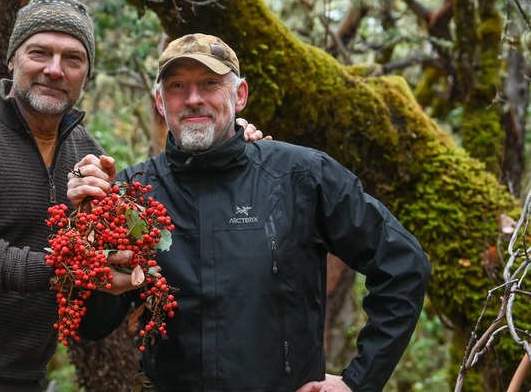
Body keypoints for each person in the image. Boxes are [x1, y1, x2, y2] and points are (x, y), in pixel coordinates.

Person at [0, 0, 268, 392]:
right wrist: (71, 267)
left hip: (24, 381)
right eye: (39, 53)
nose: (54, 70)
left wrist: (235, 149)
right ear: (12, 60)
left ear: (86, 74)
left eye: (72, 59)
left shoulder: (90, 157)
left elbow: (93, 323)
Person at [68, 33, 432, 392]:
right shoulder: (134, 195)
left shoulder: (300, 175)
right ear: (160, 103)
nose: (193, 99)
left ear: (239, 95)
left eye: (210, 83)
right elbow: (94, 325)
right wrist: (87, 237)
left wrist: (358, 381)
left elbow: (402, 265)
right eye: (177, 85)